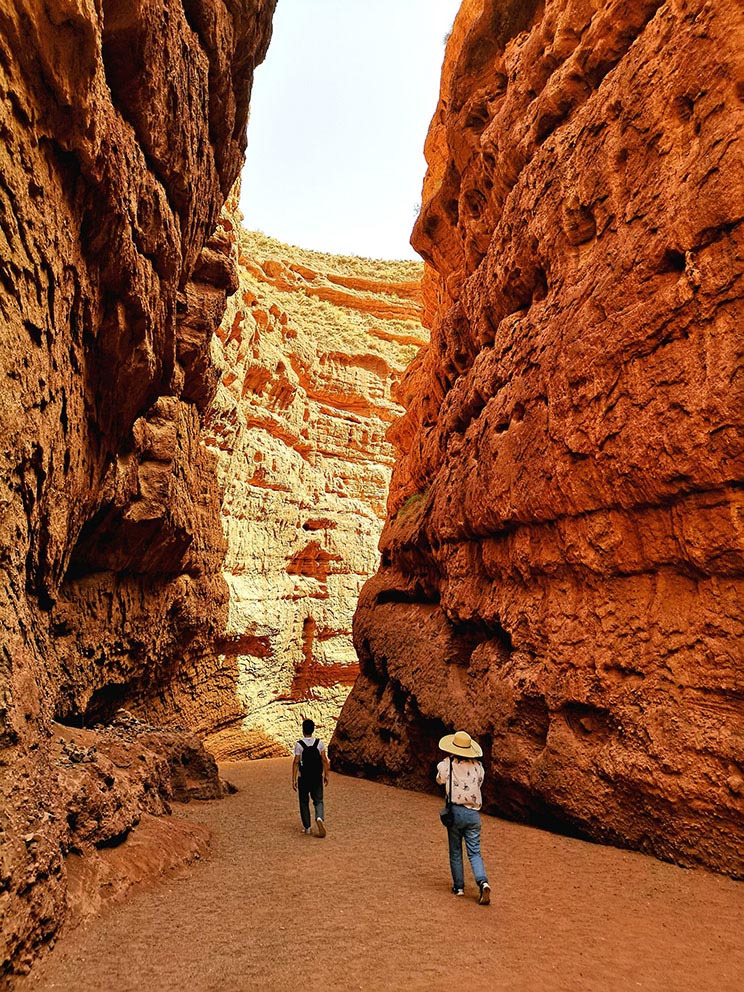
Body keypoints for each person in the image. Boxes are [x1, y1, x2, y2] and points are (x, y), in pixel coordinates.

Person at [436, 730, 491, 905]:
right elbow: (479, 782)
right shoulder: (478, 767)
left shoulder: (447, 764)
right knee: (474, 852)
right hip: (474, 815)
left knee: (455, 850)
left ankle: (459, 887)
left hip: (456, 812)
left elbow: (440, 780)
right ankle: (483, 882)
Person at [292, 718, 330, 837]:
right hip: (316, 777)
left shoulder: (299, 744)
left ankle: (307, 827)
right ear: (313, 730)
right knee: (318, 800)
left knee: (304, 802)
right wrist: (326, 774)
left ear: (303, 730)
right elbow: (324, 760)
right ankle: (319, 818)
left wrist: (293, 779)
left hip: (303, 778)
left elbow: (296, 762)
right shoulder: (319, 743)